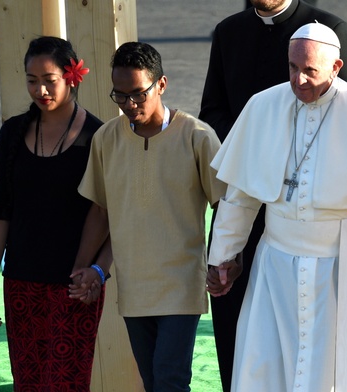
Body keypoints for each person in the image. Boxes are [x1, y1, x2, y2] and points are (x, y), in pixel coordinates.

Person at [207, 23, 347, 392]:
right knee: (270, 367)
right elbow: (241, 196)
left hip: (345, 264)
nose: (298, 79)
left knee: (343, 373)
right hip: (277, 265)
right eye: (292, 68)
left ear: (337, 67)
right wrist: (223, 255)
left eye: (310, 71)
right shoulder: (262, 106)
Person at [199, 1, 347, 389]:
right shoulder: (228, 31)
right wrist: (257, 146)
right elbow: (213, 110)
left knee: (308, 332)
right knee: (232, 310)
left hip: (309, 217)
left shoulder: (327, 28)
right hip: (246, 189)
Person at [71, 42, 226, 392]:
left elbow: (226, 205)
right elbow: (101, 210)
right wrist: (83, 270)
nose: (129, 104)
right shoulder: (106, 138)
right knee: (153, 380)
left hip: (182, 286)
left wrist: (225, 261)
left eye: (138, 93)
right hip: (133, 287)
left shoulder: (197, 137)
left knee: (170, 381)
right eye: (120, 95)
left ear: (162, 84)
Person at [0, 36, 108, 391]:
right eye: (31, 80)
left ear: (72, 76)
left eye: (49, 80)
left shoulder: (97, 136)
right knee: (29, 383)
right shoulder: (13, 131)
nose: (40, 90)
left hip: (74, 286)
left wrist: (97, 271)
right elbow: (0, 209)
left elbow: (108, 213)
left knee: (67, 383)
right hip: (22, 282)